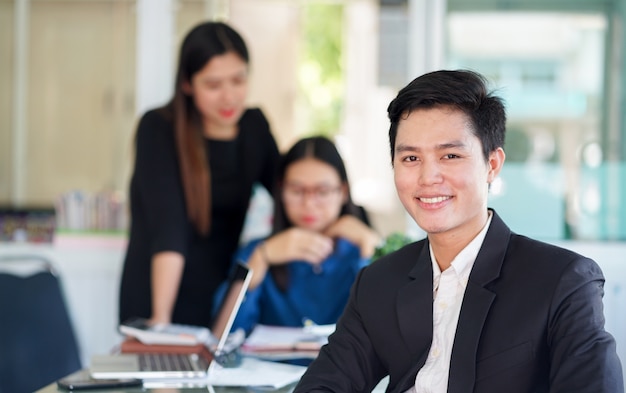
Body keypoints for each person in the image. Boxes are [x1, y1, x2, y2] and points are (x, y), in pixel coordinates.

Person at [294, 70, 624, 392]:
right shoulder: (379, 282)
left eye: (450, 155)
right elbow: (324, 383)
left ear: (492, 165)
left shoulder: (562, 281)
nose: (428, 177)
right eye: (410, 158)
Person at [118, 21, 280, 328]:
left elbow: (287, 193)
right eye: (213, 85)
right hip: (159, 291)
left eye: (238, 79)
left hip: (220, 295)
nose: (229, 96)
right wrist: (161, 320)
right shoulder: (159, 129)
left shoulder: (254, 127)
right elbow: (169, 229)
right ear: (188, 84)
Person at [219, 136, 381, 334]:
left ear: (343, 192)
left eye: (322, 191)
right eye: (296, 191)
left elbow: (389, 333)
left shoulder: (364, 251)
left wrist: (371, 247)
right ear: (281, 190)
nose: (309, 204)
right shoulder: (257, 250)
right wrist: (260, 259)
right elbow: (222, 334)